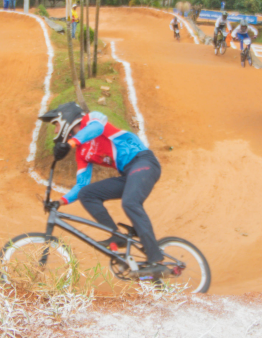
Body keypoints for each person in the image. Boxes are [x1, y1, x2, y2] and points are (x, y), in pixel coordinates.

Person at [38, 102, 167, 272]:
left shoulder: (91, 119)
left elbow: (97, 129)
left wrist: (70, 143)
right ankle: (117, 235)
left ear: (66, 118)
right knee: (87, 193)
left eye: (56, 125)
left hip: (143, 162)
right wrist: (60, 202)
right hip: (128, 173)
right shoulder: (82, 152)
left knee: (130, 203)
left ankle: (156, 259)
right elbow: (81, 185)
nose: (55, 130)